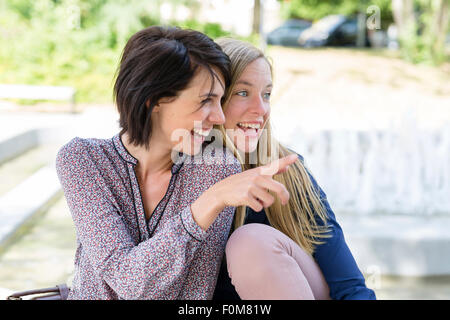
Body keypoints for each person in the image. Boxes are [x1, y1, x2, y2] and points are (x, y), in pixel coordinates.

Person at [56, 26, 296, 300]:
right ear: (153, 100)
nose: (218, 117)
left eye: (220, 101)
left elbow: (193, 296)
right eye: (206, 101)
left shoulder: (216, 170)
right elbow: (126, 279)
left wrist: (214, 195)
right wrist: (208, 203)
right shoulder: (83, 160)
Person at [212, 38, 377, 300]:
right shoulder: (179, 174)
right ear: (211, 100)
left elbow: (348, 284)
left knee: (250, 242)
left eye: (266, 94)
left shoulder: (288, 170)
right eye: (242, 93)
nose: (261, 109)